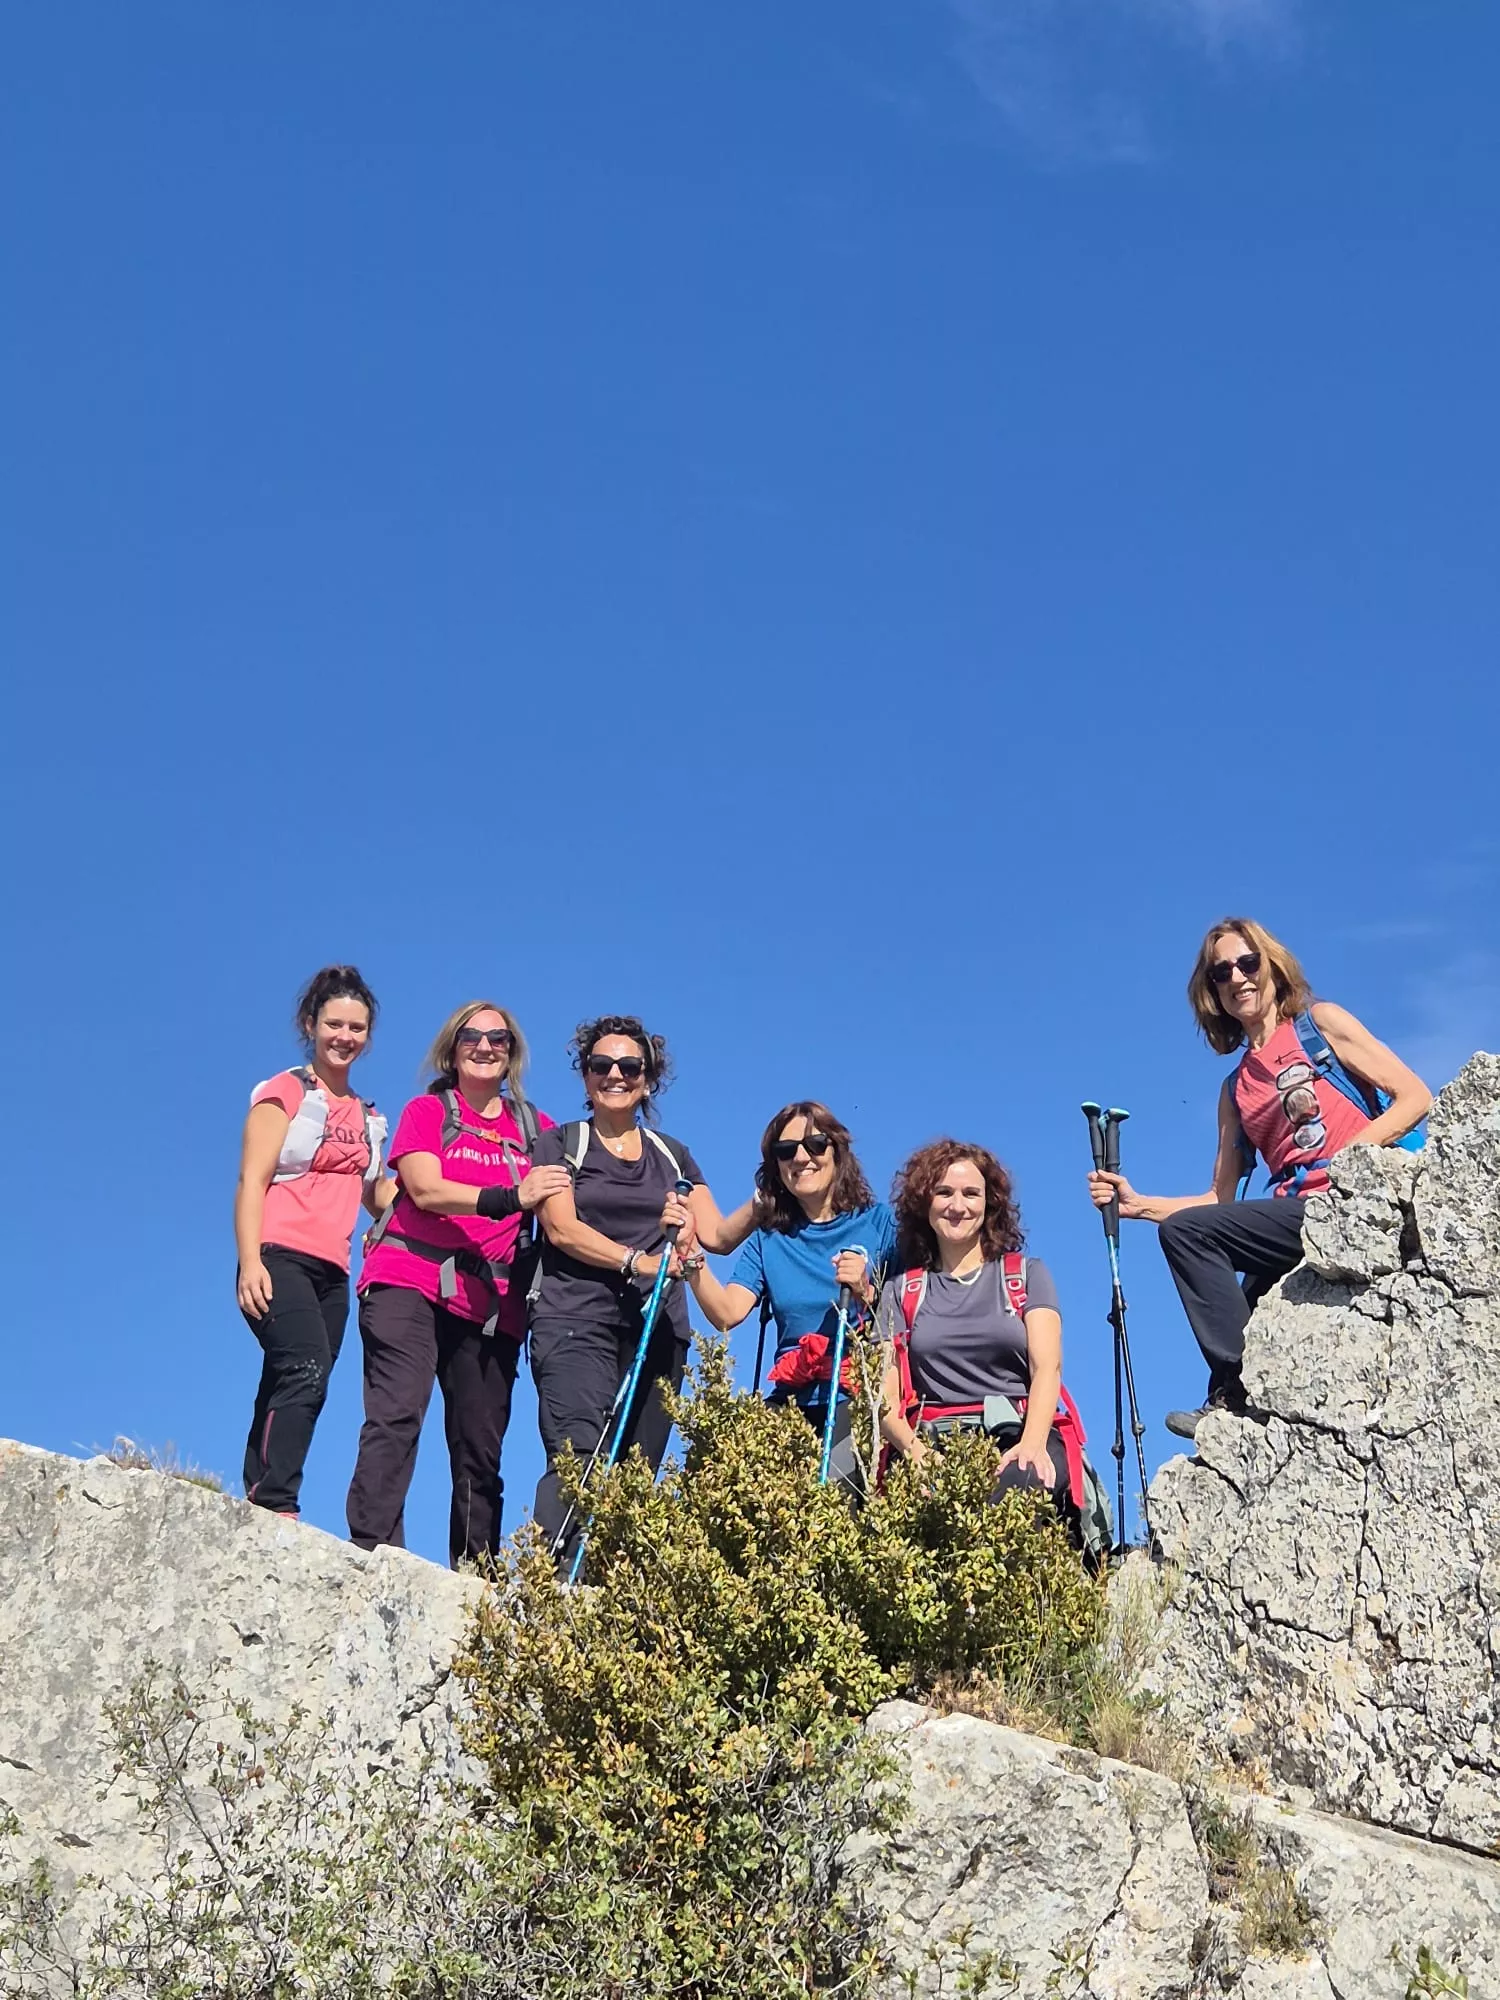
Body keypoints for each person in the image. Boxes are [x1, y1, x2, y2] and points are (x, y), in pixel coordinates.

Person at [1089, 916, 1432, 1439]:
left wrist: (1352, 1153)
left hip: (1348, 1202)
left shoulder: (1321, 1026)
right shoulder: (1234, 1091)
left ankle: (1237, 1387)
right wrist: (1138, 1205)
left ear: (1272, 968)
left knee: (1199, 1248)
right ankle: (1235, 1394)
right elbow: (1218, 1199)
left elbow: (1414, 1096)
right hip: (1294, 1218)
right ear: (1214, 993)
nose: (1238, 978)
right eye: (1221, 972)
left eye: (1248, 963)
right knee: (1228, 1288)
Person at [345, 1002, 571, 1567]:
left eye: (499, 1037)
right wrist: (509, 1197)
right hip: (408, 1279)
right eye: (472, 1036)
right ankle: (372, 1554)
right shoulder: (427, 1111)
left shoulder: (537, 1130)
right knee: (397, 1414)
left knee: (479, 1446)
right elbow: (423, 1188)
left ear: (512, 1052)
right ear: (452, 1048)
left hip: (492, 1304)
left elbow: (568, 1211)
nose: (485, 1045)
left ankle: (475, 1581)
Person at [527, 1015, 754, 1567]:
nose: (615, 1076)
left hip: (658, 1332)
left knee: (635, 1473)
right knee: (578, 1455)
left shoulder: (673, 1154)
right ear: (585, 1078)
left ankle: (605, 1606)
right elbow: (560, 1228)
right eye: (601, 1065)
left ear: (648, 1079)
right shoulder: (561, 1143)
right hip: (574, 1320)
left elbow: (718, 1235)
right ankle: (551, 1593)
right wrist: (640, 1262)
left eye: (629, 1067)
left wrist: (766, 1201)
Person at [235, 965, 389, 1519]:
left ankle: (256, 1492)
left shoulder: (369, 1117)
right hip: (278, 1254)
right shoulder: (286, 1091)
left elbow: (380, 1194)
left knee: (290, 1373)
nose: (344, 1037)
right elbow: (252, 1178)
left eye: (356, 1027)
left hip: (334, 1271)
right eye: (334, 1024)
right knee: (304, 1369)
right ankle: (277, 1502)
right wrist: (250, 1260)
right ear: (311, 1024)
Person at [876, 1138, 1086, 1530]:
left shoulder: (1026, 1276)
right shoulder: (900, 1292)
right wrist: (917, 1454)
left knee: (1015, 1497)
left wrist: (1032, 1445)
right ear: (925, 1202)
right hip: (931, 1442)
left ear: (989, 1204)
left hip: (1020, 1432)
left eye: (971, 1193)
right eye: (944, 1192)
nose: (958, 1206)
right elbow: (884, 1400)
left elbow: (1047, 1370)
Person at [684, 1101, 896, 1489]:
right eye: (786, 1151)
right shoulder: (769, 1238)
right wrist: (691, 1260)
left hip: (860, 1399)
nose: (801, 1157)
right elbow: (728, 1312)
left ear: (837, 1151)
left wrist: (867, 1290)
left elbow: (913, 1306)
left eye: (815, 1144)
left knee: (838, 1506)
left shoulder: (881, 1224)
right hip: (790, 1402)